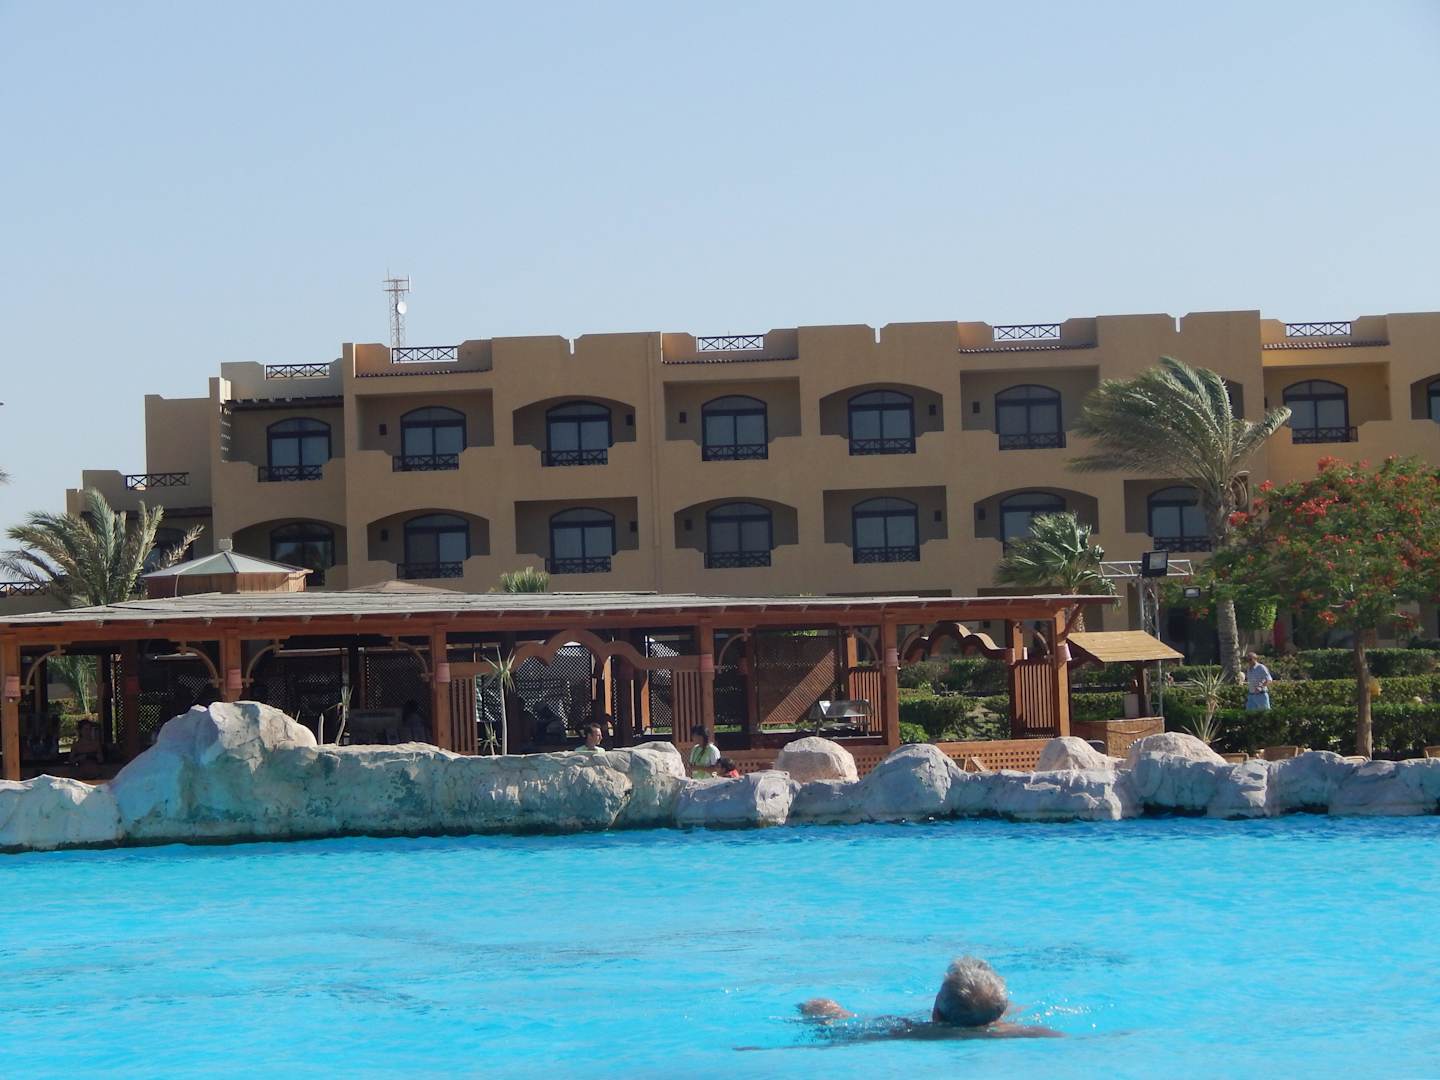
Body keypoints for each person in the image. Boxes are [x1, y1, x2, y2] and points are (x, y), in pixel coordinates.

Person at [795, 957, 1061, 1043]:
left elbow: (851, 1030)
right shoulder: (1025, 1032)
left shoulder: (911, 1031)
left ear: (936, 1011)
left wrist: (824, 1008)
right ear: (1001, 1013)